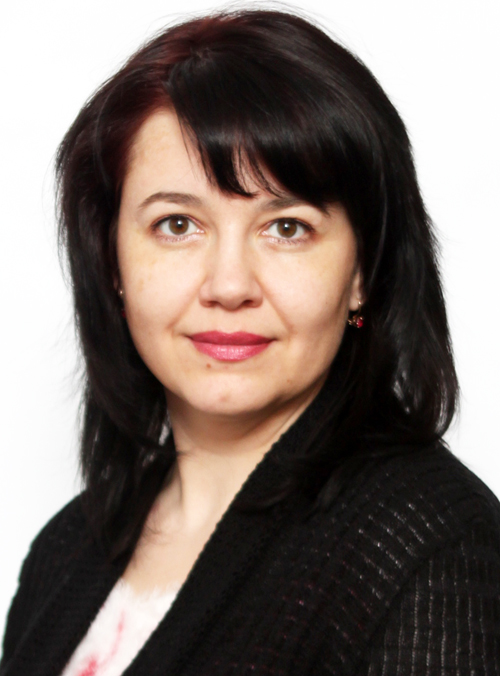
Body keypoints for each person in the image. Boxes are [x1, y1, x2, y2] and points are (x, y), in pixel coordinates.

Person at [1, 8, 499, 675]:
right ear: (111, 261)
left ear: (362, 271)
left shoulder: (427, 545)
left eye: (287, 228)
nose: (229, 285)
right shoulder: (65, 550)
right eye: (177, 225)